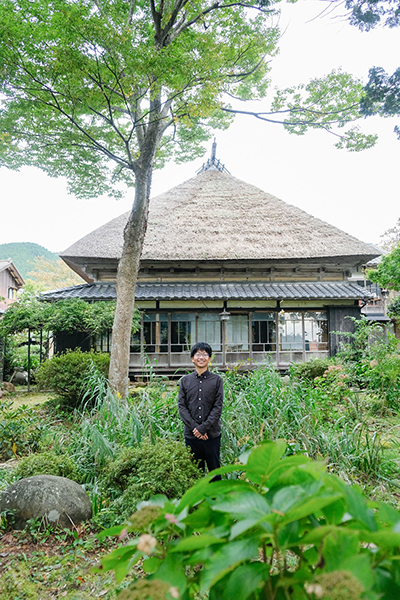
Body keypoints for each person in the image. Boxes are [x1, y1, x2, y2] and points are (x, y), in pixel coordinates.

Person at [178, 342, 223, 478]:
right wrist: (195, 429)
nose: (201, 357)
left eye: (205, 354)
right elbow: (182, 406)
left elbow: (218, 407)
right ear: (192, 358)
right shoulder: (185, 381)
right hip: (191, 437)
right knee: (193, 475)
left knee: (215, 474)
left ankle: (217, 499)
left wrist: (203, 428)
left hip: (212, 436)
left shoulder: (217, 380)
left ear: (209, 359)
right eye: (198, 354)